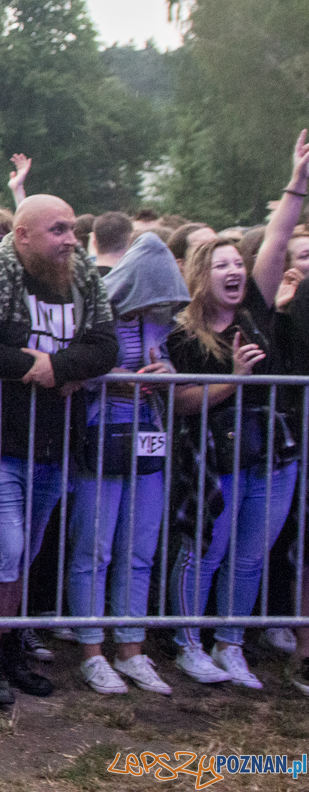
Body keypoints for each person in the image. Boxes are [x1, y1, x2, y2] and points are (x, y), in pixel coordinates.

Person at [0, 194, 118, 707]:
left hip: (52, 441)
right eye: (58, 231)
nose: (71, 239)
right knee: (2, 549)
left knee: (26, 552)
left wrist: (56, 367)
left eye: (72, 229)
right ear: (23, 235)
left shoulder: (82, 271)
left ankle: (6, 647)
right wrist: (44, 367)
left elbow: (107, 347)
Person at [165, 131, 308, 689]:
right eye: (221, 264)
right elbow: (181, 401)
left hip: (272, 450)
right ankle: (187, 642)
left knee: (250, 556)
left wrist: (296, 183)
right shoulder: (183, 332)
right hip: (214, 455)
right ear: (201, 275)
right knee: (204, 548)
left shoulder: (256, 311)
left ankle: (230, 643)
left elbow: (274, 241)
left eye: (237, 264)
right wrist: (234, 378)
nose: (234, 271)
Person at [65, 231, 187, 697]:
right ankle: (91, 653)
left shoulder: (161, 325)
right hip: (98, 438)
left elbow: (170, 365)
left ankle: (132, 651)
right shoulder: (93, 317)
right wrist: (103, 380)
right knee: (92, 550)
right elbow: (72, 365)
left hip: (147, 439)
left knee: (140, 552)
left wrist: (170, 375)